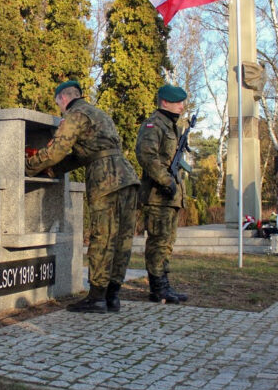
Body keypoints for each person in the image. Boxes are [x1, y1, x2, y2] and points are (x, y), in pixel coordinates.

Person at [25, 81, 139, 313]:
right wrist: (53, 170)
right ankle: (112, 296)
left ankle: (96, 298)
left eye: (58, 104)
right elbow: (82, 155)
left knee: (103, 237)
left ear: (62, 99)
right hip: (127, 176)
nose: (59, 109)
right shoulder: (99, 114)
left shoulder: (75, 115)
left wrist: (28, 166)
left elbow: (56, 151)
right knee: (122, 239)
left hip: (105, 179)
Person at [135, 84, 190, 304]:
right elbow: (146, 156)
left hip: (170, 197)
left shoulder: (173, 127)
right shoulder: (153, 124)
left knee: (167, 242)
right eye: (178, 102)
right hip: (158, 196)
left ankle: (164, 285)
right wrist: (166, 180)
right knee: (158, 242)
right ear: (165, 102)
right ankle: (158, 289)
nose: (182, 106)